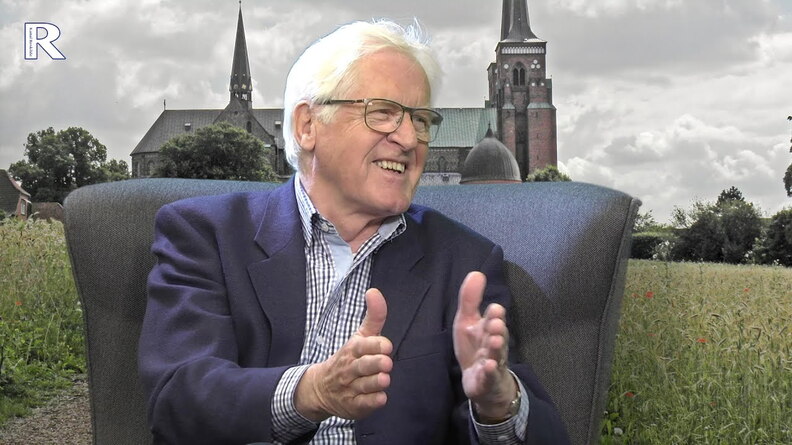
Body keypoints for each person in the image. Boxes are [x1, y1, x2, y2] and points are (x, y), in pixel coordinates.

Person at [138, 19, 569, 445]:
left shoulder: (465, 263)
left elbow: (545, 432)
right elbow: (178, 400)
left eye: (421, 120)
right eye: (383, 112)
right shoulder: (205, 234)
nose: (409, 139)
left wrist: (498, 406)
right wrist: (312, 391)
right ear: (307, 126)